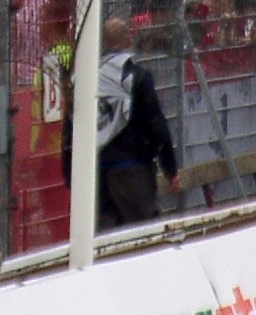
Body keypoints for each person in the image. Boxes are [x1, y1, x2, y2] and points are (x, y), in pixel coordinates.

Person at [60, 17, 179, 230]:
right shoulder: (138, 77)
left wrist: (71, 175)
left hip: (96, 173)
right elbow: (156, 124)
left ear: (103, 43)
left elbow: (70, 130)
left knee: (104, 239)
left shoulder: (82, 79)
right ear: (128, 39)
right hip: (133, 170)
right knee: (143, 234)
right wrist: (170, 169)